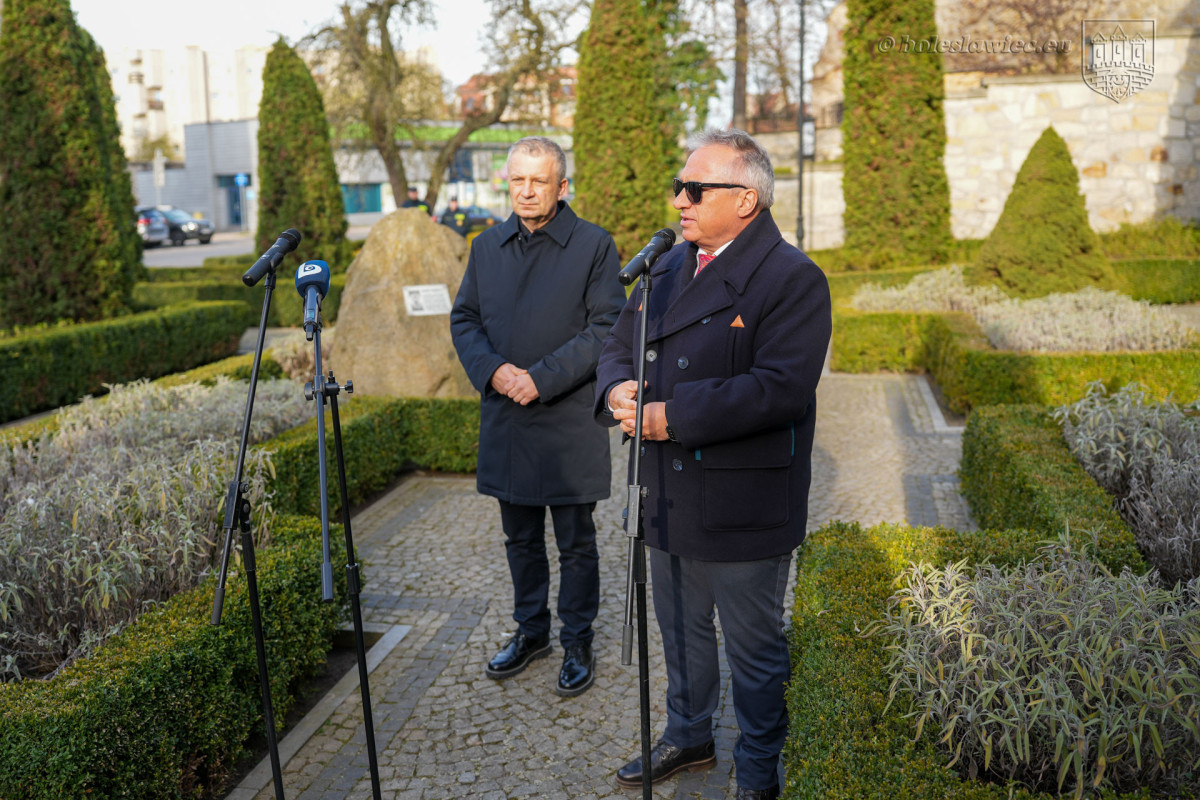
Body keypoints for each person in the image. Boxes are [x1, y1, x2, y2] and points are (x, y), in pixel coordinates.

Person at [594, 129, 831, 800]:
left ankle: (758, 767)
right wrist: (615, 386)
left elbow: (779, 389)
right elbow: (619, 340)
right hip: (664, 490)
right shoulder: (667, 265)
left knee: (753, 652)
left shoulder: (792, 278)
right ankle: (690, 734)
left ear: (747, 199)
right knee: (682, 632)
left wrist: (673, 417)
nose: (680, 201)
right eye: (679, 187)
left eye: (695, 190)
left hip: (739, 503)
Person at [450, 136, 625, 697]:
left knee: (576, 540)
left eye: (539, 181)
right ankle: (532, 632)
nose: (527, 191)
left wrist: (540, 377)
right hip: (507, 416)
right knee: (518, 538)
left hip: (568, 415)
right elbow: (465, 320)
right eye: (518, 181)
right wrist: (495, 371)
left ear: (562, 187)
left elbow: (605, 328)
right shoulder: (485, 247)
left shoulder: (594, 246)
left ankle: (577, 638)